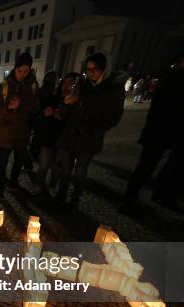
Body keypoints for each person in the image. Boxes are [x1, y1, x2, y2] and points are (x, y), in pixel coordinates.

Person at [123, 40, 184, 210]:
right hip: (159, 132)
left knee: (148, 167)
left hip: (164, 132)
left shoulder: (182, 78)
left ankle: (134, 198)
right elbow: (166, 109)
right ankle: (128, 202)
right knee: (145, 167)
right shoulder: (174, 78)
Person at [56, 52, 126, 206]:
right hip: (71, 134)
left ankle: (75, 199)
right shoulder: (81, 83)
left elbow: (113, 117)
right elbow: (64, 113)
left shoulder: (112, 88)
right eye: (88, 69)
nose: (91, 73)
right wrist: (67, 103)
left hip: (89, 138)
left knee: (80, 171)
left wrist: (95, 130)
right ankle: (60, 196)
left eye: (94, 69)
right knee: (65, 169)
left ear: (103, 69)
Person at [0, 52, 39, 198]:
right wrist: (8, 108)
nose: (22, 74)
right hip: (7, 132)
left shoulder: (33, 87)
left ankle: (13, 182)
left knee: (19, 161)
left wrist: (21, 104)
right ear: (15, 68)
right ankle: (0, 189)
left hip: (22, 132)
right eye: (19, 71)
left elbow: (36, 108)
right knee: (3, 162)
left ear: (29, 70)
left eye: (26, 71)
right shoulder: (3, 87)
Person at [33, 72, 81, 196]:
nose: (67, 86)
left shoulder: (77, 103)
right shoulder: (53, 98)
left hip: (64, 141)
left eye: (71, 83)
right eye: (65, 82)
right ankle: (38, 186)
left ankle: (52, 187)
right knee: (43, 165)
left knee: (57, 167)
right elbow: (42, 116)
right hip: (49, 138)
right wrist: (46, 113)